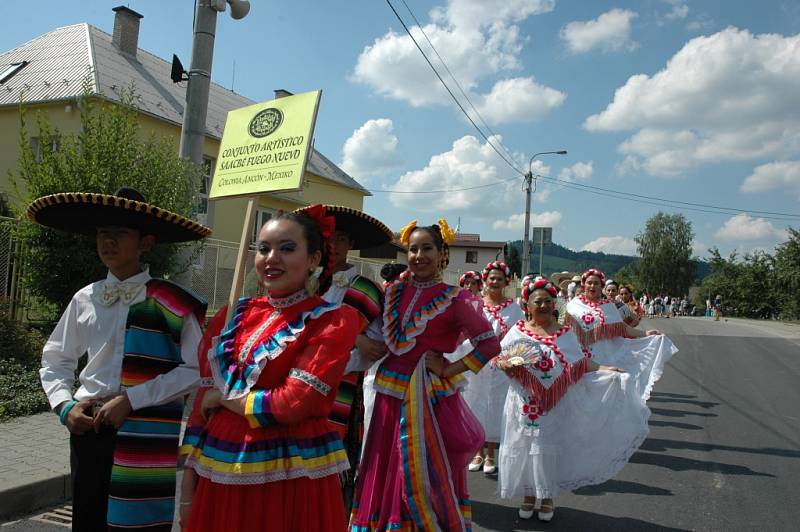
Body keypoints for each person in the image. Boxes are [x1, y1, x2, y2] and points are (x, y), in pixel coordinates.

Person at [32, 187, 210, 530]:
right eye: (102, 233)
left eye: (120, 233)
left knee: (139, 521)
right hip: (89, 427)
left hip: (145, 430)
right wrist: (64, 407)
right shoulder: (85, 297)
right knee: (89, 516)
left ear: (146, 242)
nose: (108, 241)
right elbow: (55, 358)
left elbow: (196, 369)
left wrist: (132, 399)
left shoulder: (171, 302)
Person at [182, 206, 361, 531]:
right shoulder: (230, 316)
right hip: (219, 467)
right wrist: (187, 488)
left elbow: (293, 403)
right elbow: (200, 408)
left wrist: (223, 401)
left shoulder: (333, 320)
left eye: (287, 248)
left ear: (313, 260)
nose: (271, 257)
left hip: (290, 472)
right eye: (263, 248)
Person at [349, 219, 502, 531]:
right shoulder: (392, 292)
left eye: (427, 248)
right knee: (385, 465)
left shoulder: (455, 298)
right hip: (388, 396)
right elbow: (358, 319)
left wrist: (449, 368)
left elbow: (490, 344)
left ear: (442, 253)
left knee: (419, 469)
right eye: (412, 249)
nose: (419, 255)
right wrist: (361, 340)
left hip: (425, 399)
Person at [495, 279, 650, 522]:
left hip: (553, 405)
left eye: (548, 301)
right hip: (523, 404)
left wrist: (606, 368)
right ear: (527, 305)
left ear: (555, 304)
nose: (544, 305)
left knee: (548, 448)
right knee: (524, 446)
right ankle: (527, 495)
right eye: (538, 302)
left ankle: (546, 497)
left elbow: (581, 362)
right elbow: (499, 357)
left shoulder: (564, 333)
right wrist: (504, 363)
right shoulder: (517, 331)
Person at [299, 205, 393, 513]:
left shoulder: (365, 288)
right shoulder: (307, 285)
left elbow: (374, 351)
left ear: (350, 244)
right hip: (295, 390)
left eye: (340, 239)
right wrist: (353, 337)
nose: (333, 247)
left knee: (335, 475)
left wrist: (331, 359)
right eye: (327, 239)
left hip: (341, 394)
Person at [564, 269, 678, 400]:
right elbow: (566, 332)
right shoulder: (574, 305)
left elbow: (622, 327)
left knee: (606, 396)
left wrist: (644, 333)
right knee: (583, 396)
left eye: (596, 283)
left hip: (606, 355)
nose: (592, 286)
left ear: (601, 286)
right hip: (582, 357)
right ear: (583, 285)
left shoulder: (608, 306)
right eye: (589, 283)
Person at [463, 261, 523, 475]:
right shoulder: (476, 304)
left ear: (506, 282)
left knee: (496, 408)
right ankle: (477, 452)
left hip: (502, 366)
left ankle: (490, 453)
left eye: (499, 278)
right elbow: (466, 331)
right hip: (477, 363)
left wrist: (506, 359)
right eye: (491, 278)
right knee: (476, 404)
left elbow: (520, 337)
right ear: (485, 282)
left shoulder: (514, 309)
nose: (495, 282)